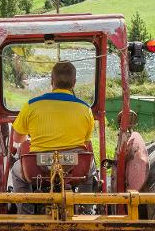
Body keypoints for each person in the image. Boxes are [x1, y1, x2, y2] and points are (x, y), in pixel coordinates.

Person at [9, 61, 94, 205]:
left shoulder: (32, 105)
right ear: (74, 82)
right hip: (74, 170)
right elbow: (85, 141)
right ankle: (86, 207)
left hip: (37, 169)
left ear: (52, 81)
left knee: (17, 171)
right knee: (90, 170)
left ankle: (26, 212)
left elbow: (17, 138)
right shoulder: (85, 109)